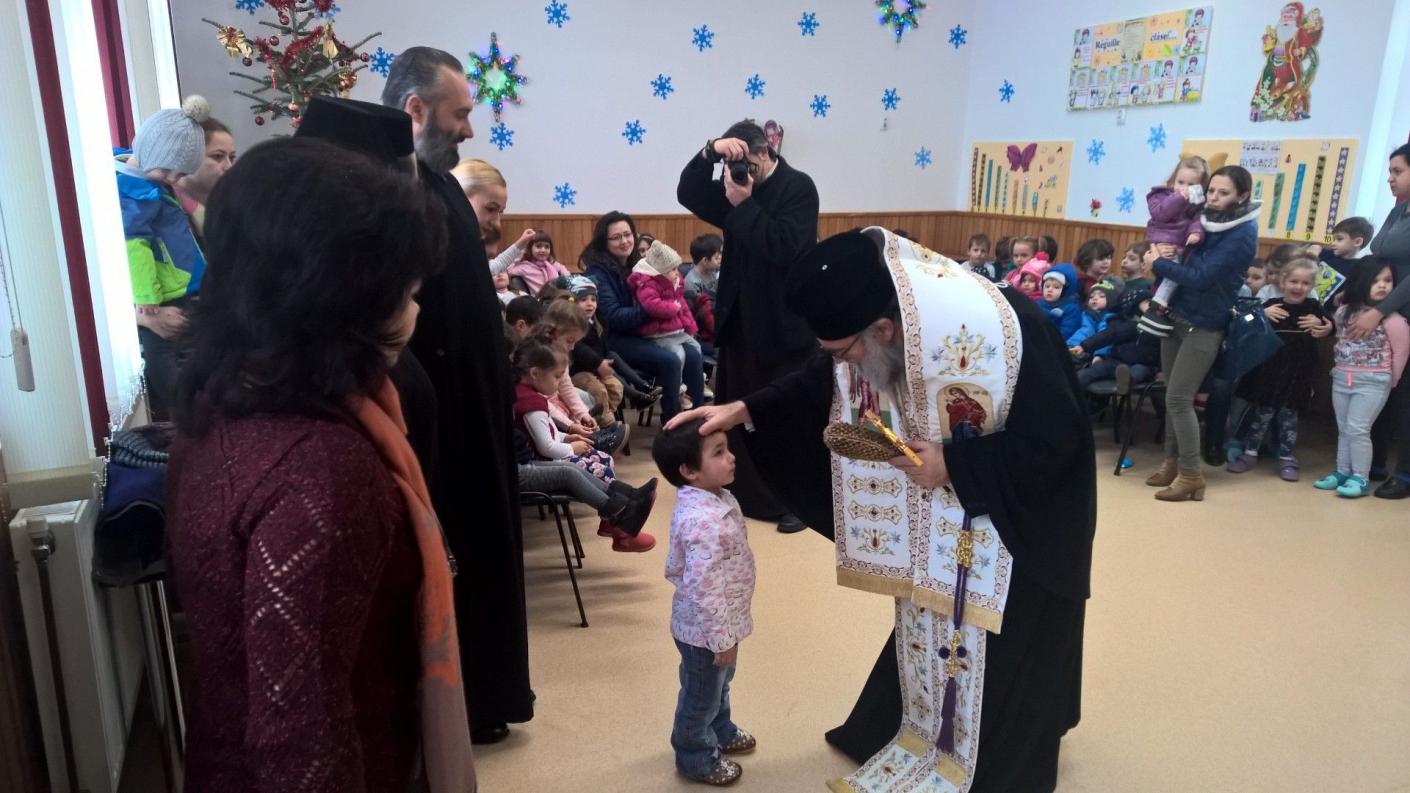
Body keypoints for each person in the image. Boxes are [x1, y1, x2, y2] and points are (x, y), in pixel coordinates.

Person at [668, 228, 1094, 793]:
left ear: (884, 330)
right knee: (929, 618)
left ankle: (992, 748)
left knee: (1003, 647)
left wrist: (955, 464)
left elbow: (1059, 442)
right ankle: (921, 723)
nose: (841, 366)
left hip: (1025, 523)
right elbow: (826, 377)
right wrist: (746, 407)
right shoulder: (884, 319)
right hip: (946, 525)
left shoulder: (1005, 330)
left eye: (844, 352)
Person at [166, 136, 477, 792]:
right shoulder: (324, 468)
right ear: (338, 300)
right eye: (403, 292)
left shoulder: (223, 400)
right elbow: (299, 737)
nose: (415, 310)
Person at [383, 45, 532, 744]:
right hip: (442, 422)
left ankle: (491, 695)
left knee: (487, 552)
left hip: (478, 411)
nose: (470, 129)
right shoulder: (390, 189)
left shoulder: (440, 182)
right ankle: (464, 706)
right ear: (416, 109)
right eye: (460, 114)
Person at [677, 118, 821, 533]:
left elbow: (785, 247)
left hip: (783, 325)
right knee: (737, 409)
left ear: (765, 151)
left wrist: (743, 204)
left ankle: (794, 500)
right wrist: (711, 151)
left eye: (747, 164)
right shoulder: (735, 184)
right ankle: (745, 490)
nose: (742, 173)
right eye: (732, 164)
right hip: (739, 321)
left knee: (784, 415)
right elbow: (688, 192)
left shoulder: (798, 187)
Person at [1144, 165, 1261, 502]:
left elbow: (1202, 277)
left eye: (1223, 193)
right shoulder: (1204, 217)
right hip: (1176, 313)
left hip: (1206, 323)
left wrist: (1159, 263)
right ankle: (1171, 463)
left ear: (1242, 196)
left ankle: (1191, 474)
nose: (1214, 197)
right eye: (1211, 190)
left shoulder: (1242, 233)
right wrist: (1165, 253)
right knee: (1171, 393)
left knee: (1180, 398)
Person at [653, 420, 757, 786]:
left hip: (721, 623)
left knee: (718, 685)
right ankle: (695, 755)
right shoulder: (702, 522)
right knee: (701, 696)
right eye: (719, 453)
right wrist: (720, 639)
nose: (731, 458)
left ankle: (720, 729)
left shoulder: (717, 496)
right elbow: (704, 589)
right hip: (706, 632)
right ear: (689, 471)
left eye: (727, 448)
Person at [116, 96, 210, 420]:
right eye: (167, 170)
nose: (172, 178)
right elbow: (135, 246)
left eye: (178, 173)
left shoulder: (147, 180)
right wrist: (147, 297)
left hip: (180, 287)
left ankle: (194, 409)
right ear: (147, 151)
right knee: (164, 360)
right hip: (161, 296)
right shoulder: (136, 192)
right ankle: (184, 413)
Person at [584, 211, 705, 422]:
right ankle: (672, 423)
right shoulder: (598, 273)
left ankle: (698, 419)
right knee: (670, 360)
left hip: (648, 332)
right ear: (604, 241)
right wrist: (655, 309)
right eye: (616, 237)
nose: (624, 241)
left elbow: (670, 292)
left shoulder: (642, 263)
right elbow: (614, 317)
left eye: (627, 234)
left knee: (694, 354)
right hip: (618, 339)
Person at [1226, 259, 1332, 480]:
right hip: (1269, 373)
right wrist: (1262, 313)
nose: (1298, 287)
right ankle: (1250, 453)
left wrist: (1324, 325)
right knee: (1261, 414)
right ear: (1283, 282)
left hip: (1298, 375)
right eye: (1294, 281)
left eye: (1305, 283)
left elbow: (1331, 327)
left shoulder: (1314, 308)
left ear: (1312, 286)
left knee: (1289, 417)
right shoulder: (1270, 304)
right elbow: (1244, 320)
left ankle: (1286, 457)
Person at [1315, 258, 1409, 498]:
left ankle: (1360, 477)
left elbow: (1401, 352)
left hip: (1373, 381)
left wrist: (1391, 380)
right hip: (1342, 377)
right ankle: (1342, 471)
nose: (1383, 285)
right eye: (1376, 280)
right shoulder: (1344, 312)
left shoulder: (1394, 320)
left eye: (1388, 280)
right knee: (1344, 428)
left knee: (1358, 429)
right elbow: (1339, 337)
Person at [532, 298, 628, 454]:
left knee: (584, 415)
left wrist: (582, 414)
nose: (572, 347)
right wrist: (570, 425)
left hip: (558, 409)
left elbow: (566, 387)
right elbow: (541, 402)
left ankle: (595, 440)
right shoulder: (539, 356)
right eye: (569, 341)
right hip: (547, 415)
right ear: (552, 333)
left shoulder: (560, 353)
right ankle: (595, 445)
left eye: (575, 342)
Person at [629, 240, 705, 405]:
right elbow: (650, 305)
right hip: (659, 334)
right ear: (660, 271)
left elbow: (683, 307)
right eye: (673, 269)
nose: (677, 273)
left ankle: (697, 382)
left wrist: (690, 326)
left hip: (676, 331)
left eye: (677, 268)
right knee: (678, 355)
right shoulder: (646, 283)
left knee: (696, 347)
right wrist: (672, 308)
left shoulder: (674, 283)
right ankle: (678, 390)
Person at [1145, 155, 1211, 316]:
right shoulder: (1160, 195)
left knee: (1176, 274)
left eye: (1191, 185)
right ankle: (1158, 302)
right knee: (1171, 274)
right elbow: (1161, 214)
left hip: (1180, 246)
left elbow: (1198, 219)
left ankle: (1161, 305)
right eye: (1180, 182)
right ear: (1173, 179)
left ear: (1201, 186)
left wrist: (1196, 232)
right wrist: (1180, 197)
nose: (1184, 188)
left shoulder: (1198, 203)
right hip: (1160, 242)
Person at [1071, 288, 1162, 390]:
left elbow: (1164, 348)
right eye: (1147, 302)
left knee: (1138, 372)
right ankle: (1074, 387)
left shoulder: (1158, 324)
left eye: (1152, 302)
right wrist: (1083, 346)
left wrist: (1160, 369)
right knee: (1095, 369)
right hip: (1116, 362)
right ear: (1134, 305)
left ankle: (1124, 384)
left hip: (1143, 364)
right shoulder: (1123, 323)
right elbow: (1106, 335)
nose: (1151, 305)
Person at [175, 115, 236, 237]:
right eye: (217, 156)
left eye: (232, 157)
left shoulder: (235, 202)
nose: (229, 166)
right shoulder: (163, 205)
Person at [508, 230, 572, 294]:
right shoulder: (524, 267)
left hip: (558, 295)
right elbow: (509, 269)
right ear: (530, 248)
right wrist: (522, 253)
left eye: (547, 247)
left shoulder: (551, 264)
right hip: (540, 298)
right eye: (538, 246)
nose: (543, 250)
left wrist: (569, 280)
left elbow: (561, 268)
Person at [1038, 268, 1081, 339]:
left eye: (1056, 287)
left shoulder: (1071, 309)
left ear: (1065, 290)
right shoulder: (1038, 304)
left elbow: (1067, 330)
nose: (1050, 290)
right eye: (1047, 286)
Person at [685, 233, 723, 305]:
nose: (720, 260)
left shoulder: (712, 271)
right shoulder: (692, 283)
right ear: (705, 260)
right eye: (716, 258)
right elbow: (700, 307)